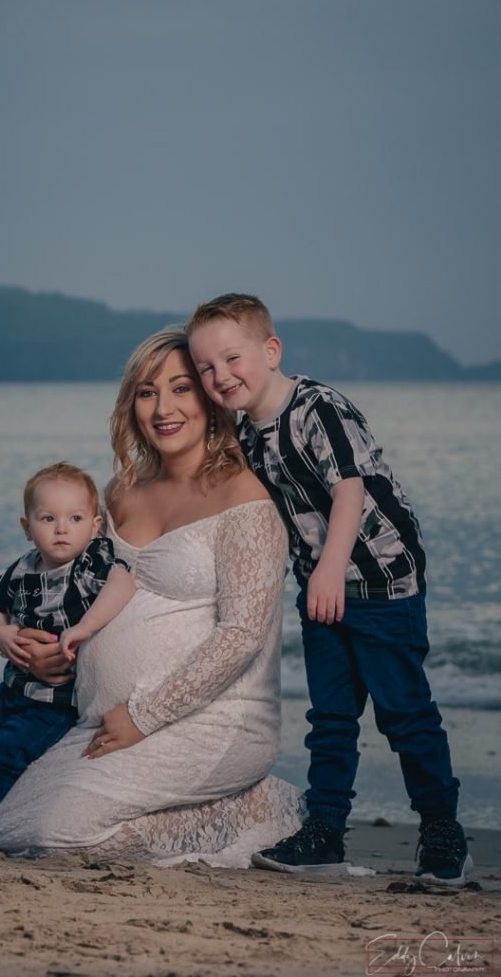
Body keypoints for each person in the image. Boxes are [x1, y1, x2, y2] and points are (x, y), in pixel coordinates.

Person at [0, 328, 302, 864]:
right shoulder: (121, 492)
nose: (163, 408)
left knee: (60, 839)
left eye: (181, 389)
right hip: (105, 721)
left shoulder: (244, 499)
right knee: (8, 831)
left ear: (208, 396)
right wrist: (49, 652)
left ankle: (253, 808)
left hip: (213, 723)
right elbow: (87, 597)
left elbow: (242, 637)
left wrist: (144, 716)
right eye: (148, 392)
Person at [187, 293, 471, 885]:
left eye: (232, 359)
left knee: (404, 713)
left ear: (270, 351)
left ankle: (443, 831)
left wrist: (329, 566)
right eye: (207, 368)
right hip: (323, 590)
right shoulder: (249, 432)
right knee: (331, 717)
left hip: (381, 580)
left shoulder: (319, 408)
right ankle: (325, 835)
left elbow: (351, 488)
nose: (220, 376)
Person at [0, 461, 135, 853]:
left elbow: (124, 582)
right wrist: (0, 633)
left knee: (8, 749)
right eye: (48, 518)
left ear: (94, 526)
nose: (61, 528)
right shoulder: (19, 571)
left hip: (54, 701)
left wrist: (86, 627)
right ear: (27, 527)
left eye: (74, 518)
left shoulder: (90, 564)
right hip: (13, 686)